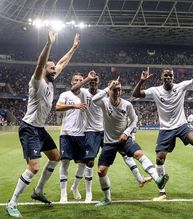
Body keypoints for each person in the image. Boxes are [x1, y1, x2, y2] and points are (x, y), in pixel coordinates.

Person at [132, 50, 193, 201]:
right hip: (165, 129)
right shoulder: (155, 90)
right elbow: (136, 94)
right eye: (166, 75)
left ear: (173, 77)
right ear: (162, 77)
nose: (168, 77)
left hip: (182, 125)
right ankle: (162, 192)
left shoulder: (181, 86)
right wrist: (142, 81)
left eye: (170, 75)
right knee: (159, 159)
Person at [6, 29, 80, 218]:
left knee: (55, 157)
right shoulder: (37, 81)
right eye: (51, 68)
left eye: (54, 68)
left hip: (39, 129)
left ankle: (38, 191)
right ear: (44, 71)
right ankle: (12, 202)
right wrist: (49, 44)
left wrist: (73, 47)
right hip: (29, 127)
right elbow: (40, 64)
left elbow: (62, 63)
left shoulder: (51, 81)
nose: (54, 69)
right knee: (34, 167)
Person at [67, 72, 153, 204]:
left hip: (105, 131)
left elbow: (118, 102)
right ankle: (82, 190)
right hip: (91, 131)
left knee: (126, 155)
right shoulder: (83, 92)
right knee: (89, 161)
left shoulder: (104, 93)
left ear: (99, 83)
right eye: (91, 82)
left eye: (95, 81)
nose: (93, 83)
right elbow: (74, 89)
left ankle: (139, 178)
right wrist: (87, 79)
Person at [92, 78, 169, 207]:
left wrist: (126, 133)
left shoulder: (127, 104)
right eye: (114, 90)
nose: (117, 92)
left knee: (139, 154)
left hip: (124, 139)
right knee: (101, 171)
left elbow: (134, 120)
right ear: (109, 91)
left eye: (119, 90)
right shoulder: (104, 103)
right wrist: (108, 88)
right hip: (109, 142)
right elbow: (94, 100)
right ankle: (107, 199)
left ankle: (158, 179)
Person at [56, 73, 88, 203]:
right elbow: (58, 107)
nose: (78, 81)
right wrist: (74, 106)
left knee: (83, 164)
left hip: (81, 134)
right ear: (71, 82)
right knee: (65, 163)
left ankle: (75, 187)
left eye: (81, 80)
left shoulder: (86, 94)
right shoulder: (65, 95)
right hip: (66, 134)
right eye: (76, 80)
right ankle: (63, 194)